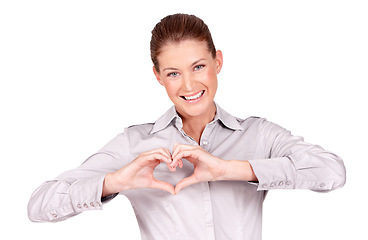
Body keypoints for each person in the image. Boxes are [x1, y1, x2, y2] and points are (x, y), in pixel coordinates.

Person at [28, 13, 346, 240]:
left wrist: (230, 170)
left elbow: (331, 172)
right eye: (173, 73)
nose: (189, 84)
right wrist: (114, 182)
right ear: (158, 76)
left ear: (217, 61)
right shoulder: (133, 144)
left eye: (198, 66)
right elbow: (39, 206)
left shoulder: (258, 134)